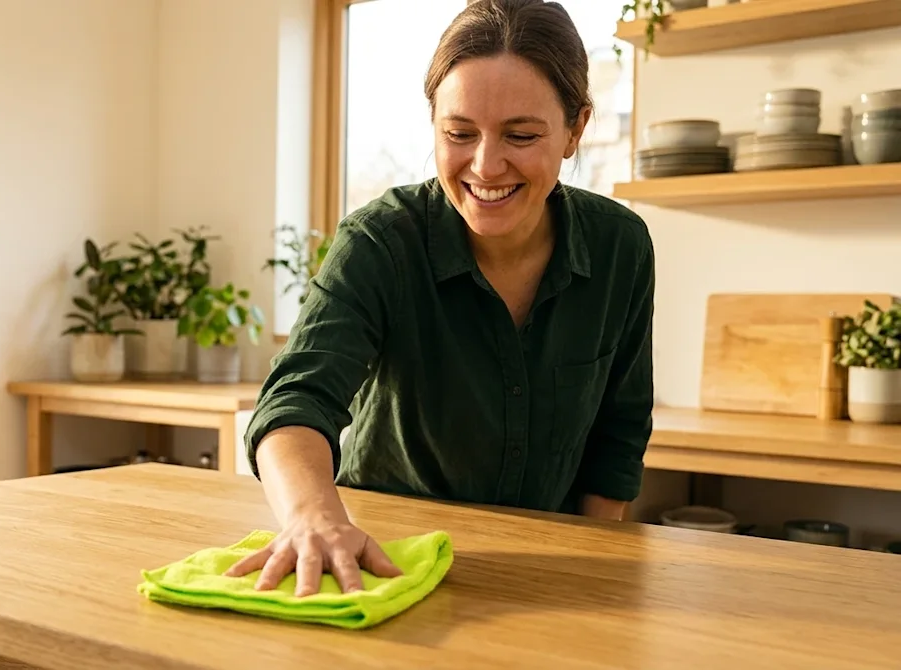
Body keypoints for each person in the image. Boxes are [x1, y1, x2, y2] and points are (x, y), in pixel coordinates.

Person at [227, 0, 654, 597]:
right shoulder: (380, 242)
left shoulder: (620, 246)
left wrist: (585, 563)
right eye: (459, 134)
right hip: (381, 564)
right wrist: (313, 517)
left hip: (545, 572)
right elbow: (296, 399)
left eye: (521, 135)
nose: (486, 165)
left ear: (575, 130)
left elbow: (619, 431)